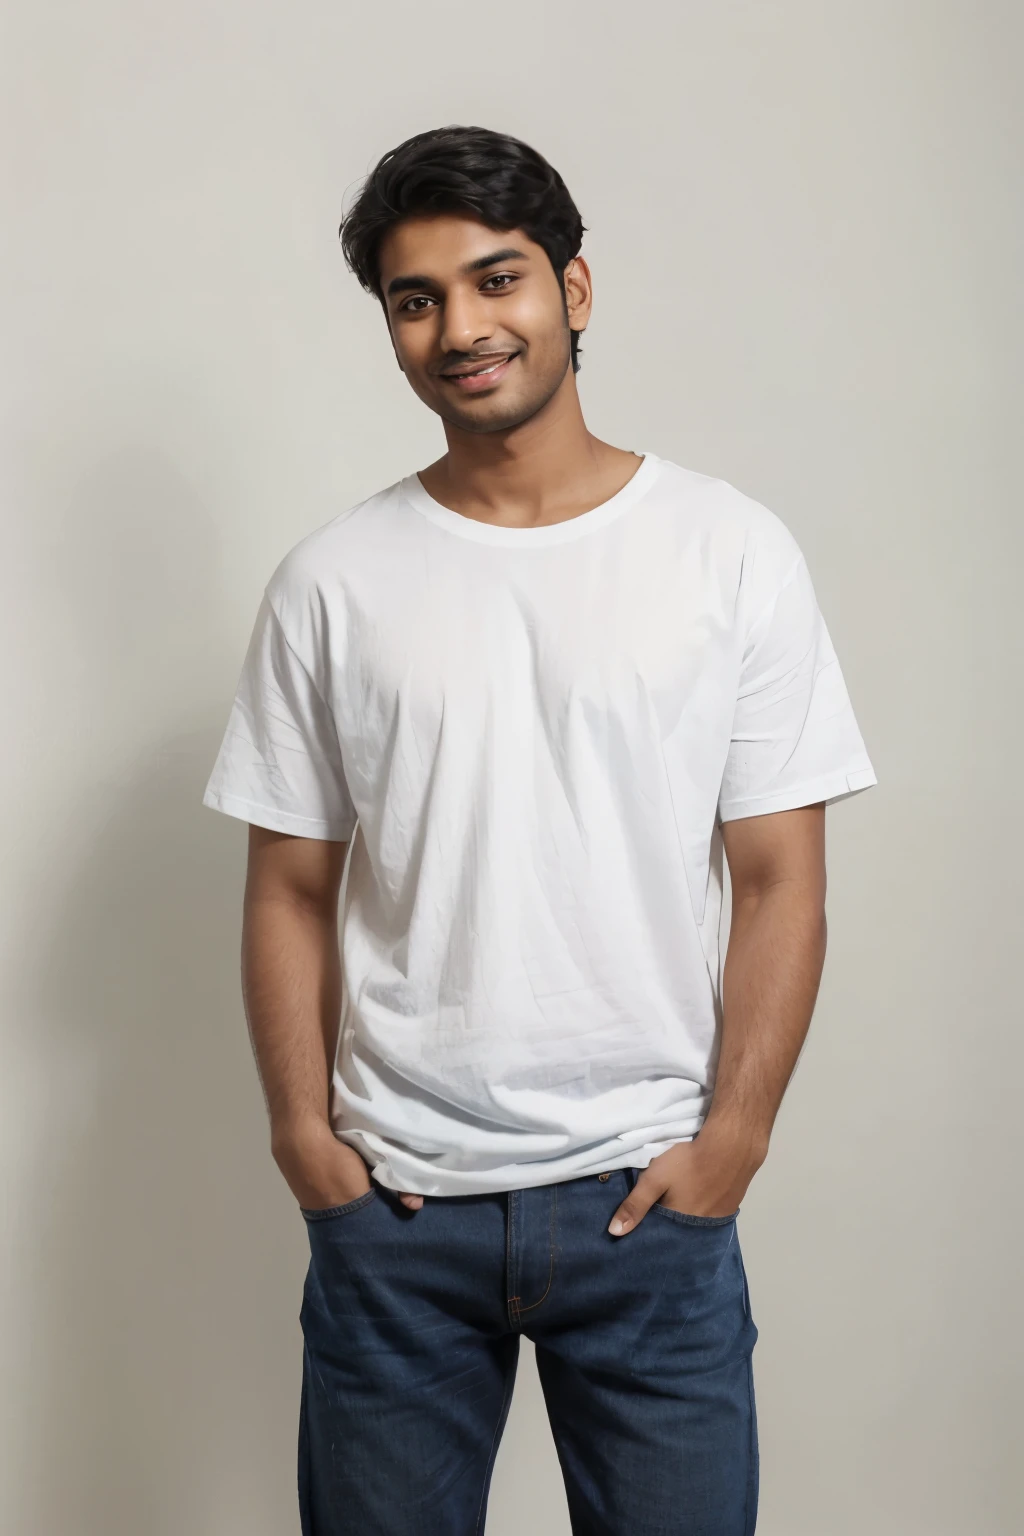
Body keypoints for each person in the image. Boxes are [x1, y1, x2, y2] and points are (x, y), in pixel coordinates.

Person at [202, 124, 877, 1536]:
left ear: (574, 290)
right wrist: (302, 1140)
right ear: (390, 327)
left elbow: (779, 878)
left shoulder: (727, 551)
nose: (461, 326)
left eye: (494, 280)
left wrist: (736, 1136)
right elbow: (286, 888)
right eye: (416, 297)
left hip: (649, 1199)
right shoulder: (332, 581)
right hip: (395, 1206)